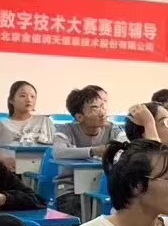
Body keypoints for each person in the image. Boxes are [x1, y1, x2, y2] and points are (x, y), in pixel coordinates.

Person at [54, 86, 127, 217]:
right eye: (94, 108)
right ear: (79, 117)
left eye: (102, 106)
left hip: (104, 188)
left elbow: (127, 147)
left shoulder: (113, 129)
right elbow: (59, 152)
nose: (102, 113)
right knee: (78, 215)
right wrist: (93, 151)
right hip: (71, 189)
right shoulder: (66, 130)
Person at [0, 80, 55, 165]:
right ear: (11, 100)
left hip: (41, 168)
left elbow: (57, 148)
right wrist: (3, 160)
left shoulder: (45, 121)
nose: (29, 99)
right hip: (10, 169)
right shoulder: (0, 123)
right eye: (23, 96)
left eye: (32, 97)